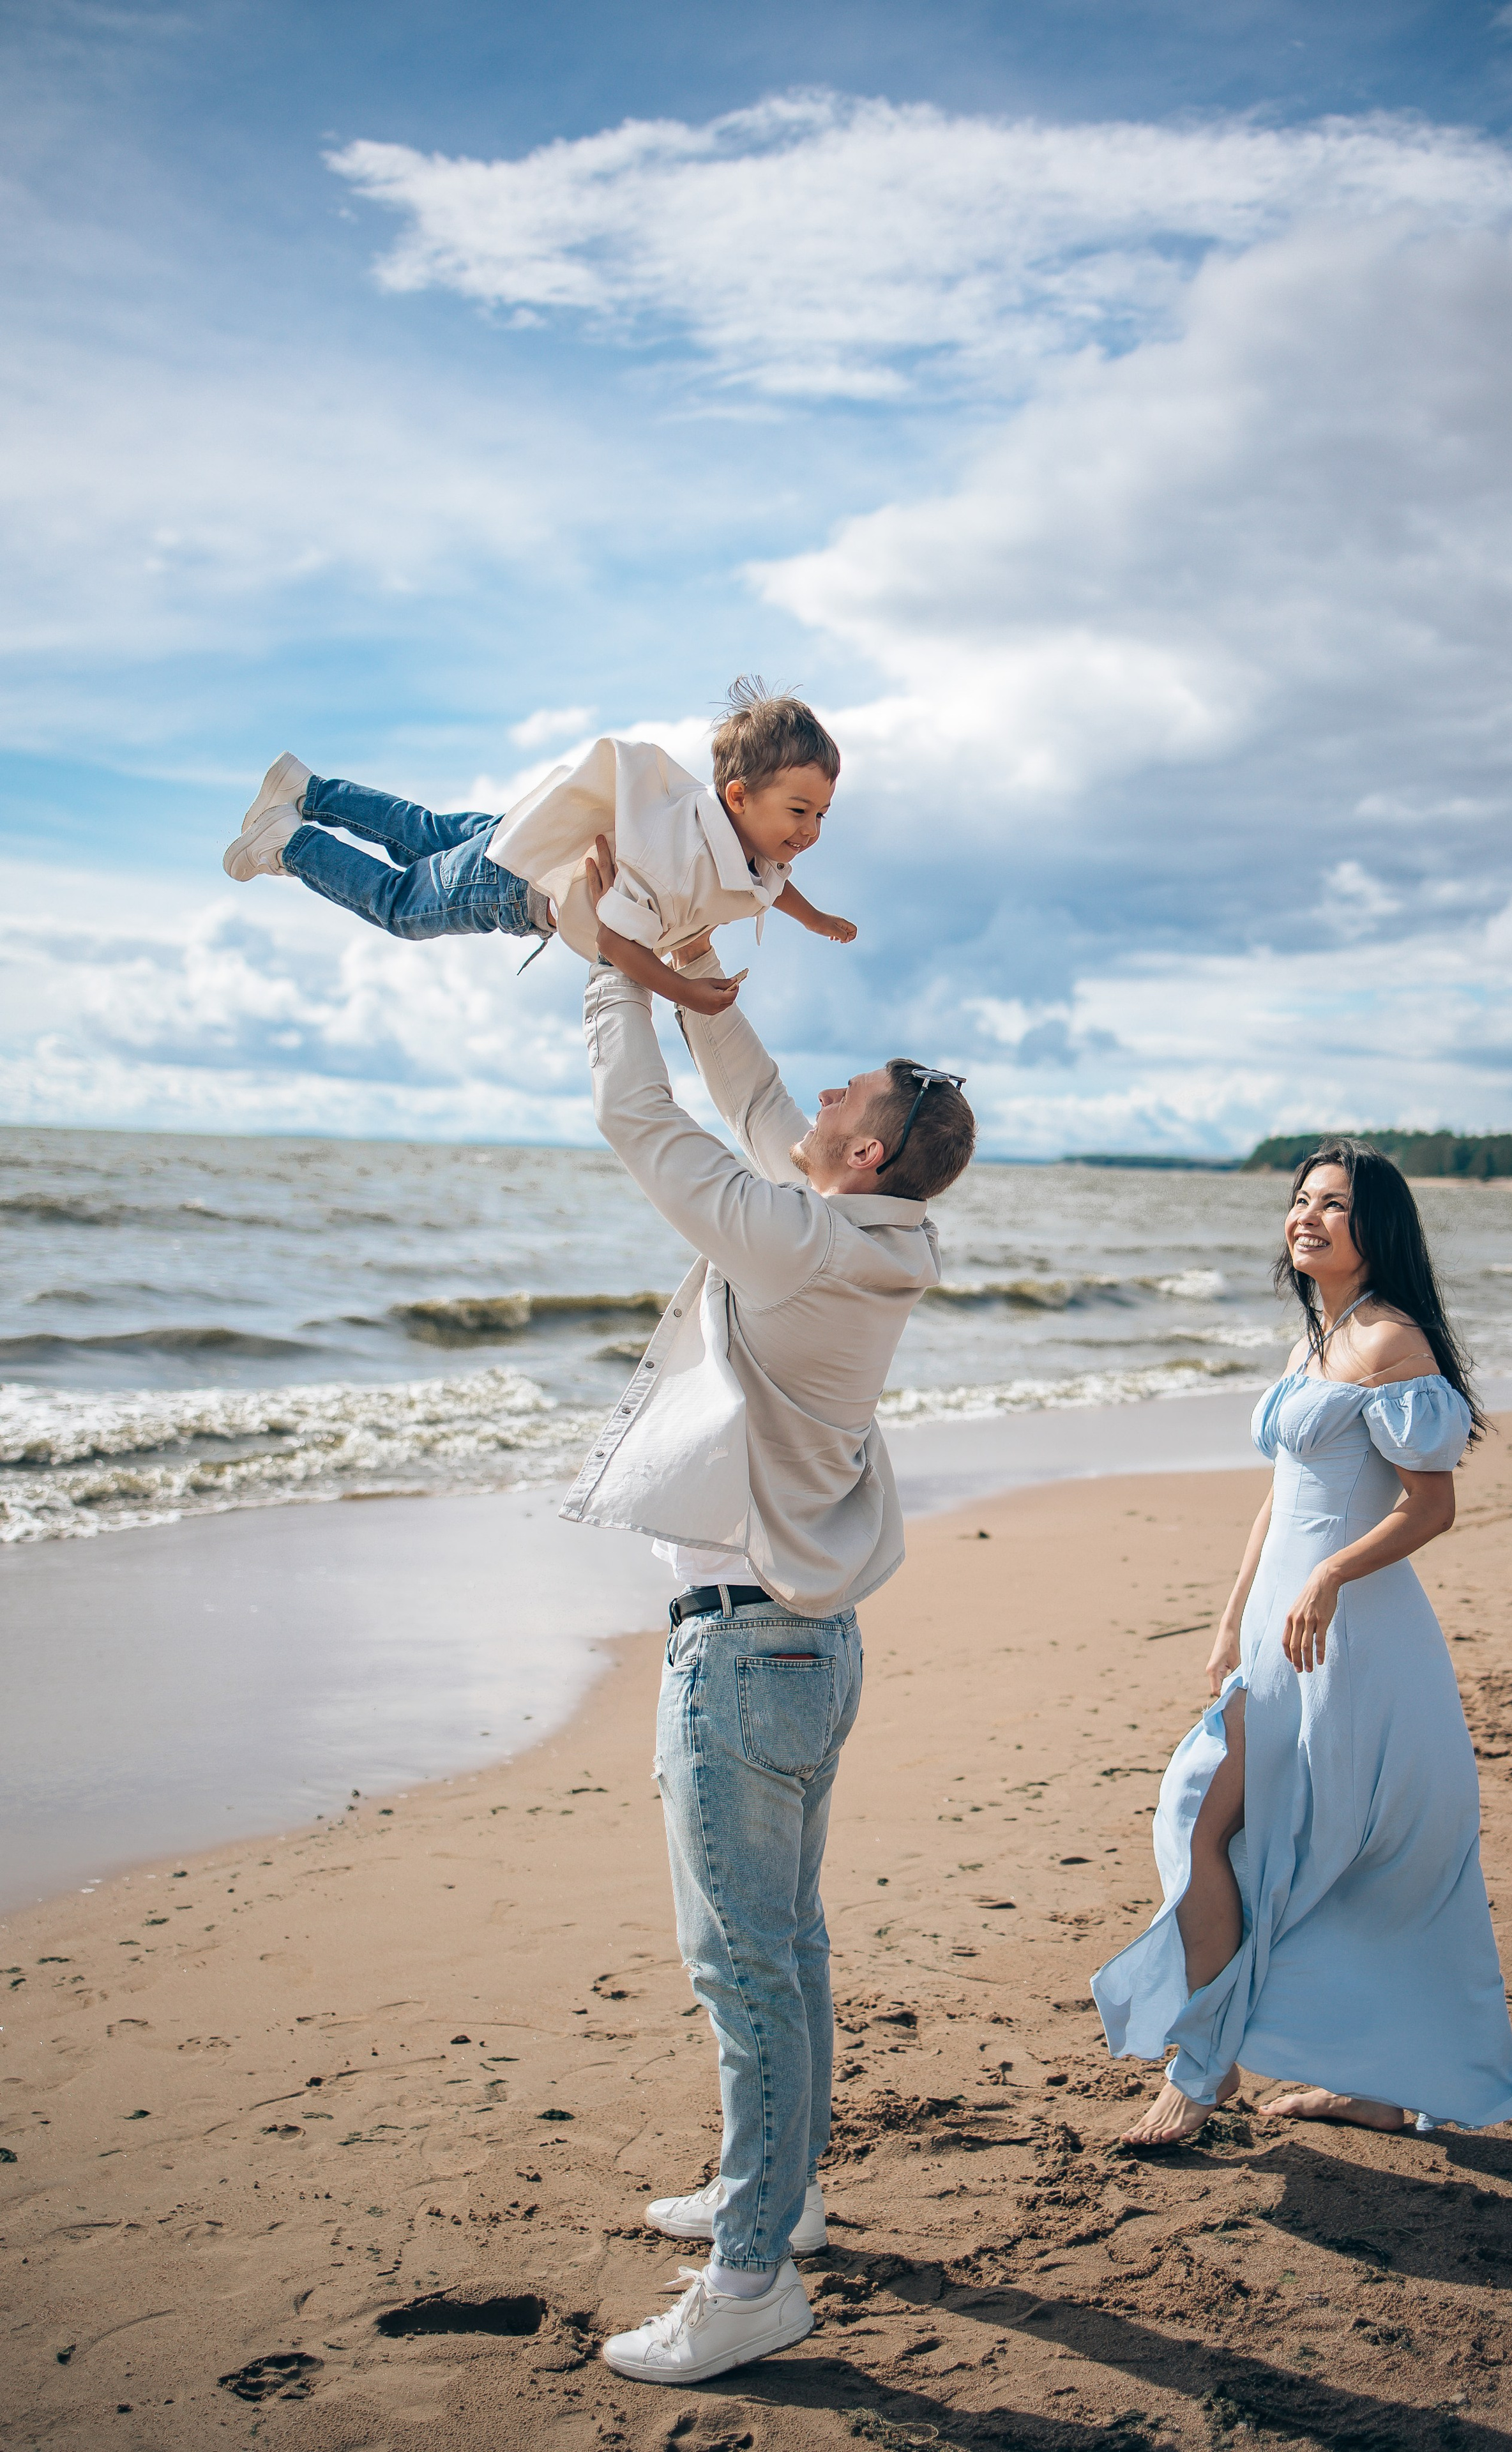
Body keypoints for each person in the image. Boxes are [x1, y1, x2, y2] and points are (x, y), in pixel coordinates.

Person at [563, 843, 975, 2382]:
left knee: (743, 1966)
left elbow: (639, 1119)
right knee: (784, 1949)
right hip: (801, 1648)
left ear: (860, 1157)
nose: (804, 1115)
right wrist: (685, 952)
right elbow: (745, 1094)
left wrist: (609, 964)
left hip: (743, 1654)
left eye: (829, 1114)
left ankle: (747, 2285)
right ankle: (780, 2200)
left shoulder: (802, 1238)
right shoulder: (862, 1230)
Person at [1093, 1140, 1512, 2147]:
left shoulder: (1389, 1340)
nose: (1307, 1217)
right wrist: (1231, 1613)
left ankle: (1206, 2075)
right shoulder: (1314, 1342)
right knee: (1215, 1822)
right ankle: (1318, 2075)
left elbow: (1432, 1507)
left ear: (1376, 1228)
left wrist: (1330, 1577)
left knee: (1316, 1850)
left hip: (1354, 1644)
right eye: (1299, 1200)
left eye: (1332, 1204)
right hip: (1278, 1635)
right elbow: (1280, 1501)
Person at [219, 681, 857, 1016]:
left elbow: (773, 881)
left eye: (822, 814)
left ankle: (308, 790)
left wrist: (815, 918)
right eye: (798, 812)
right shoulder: (680, 860)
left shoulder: (750, 846)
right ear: (739, 797)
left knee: (424, 833)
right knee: (399, 904)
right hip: (516, 884)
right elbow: (615, 943)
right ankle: (291, 842)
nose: (809, 832)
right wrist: (685, 991)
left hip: (536, 830)